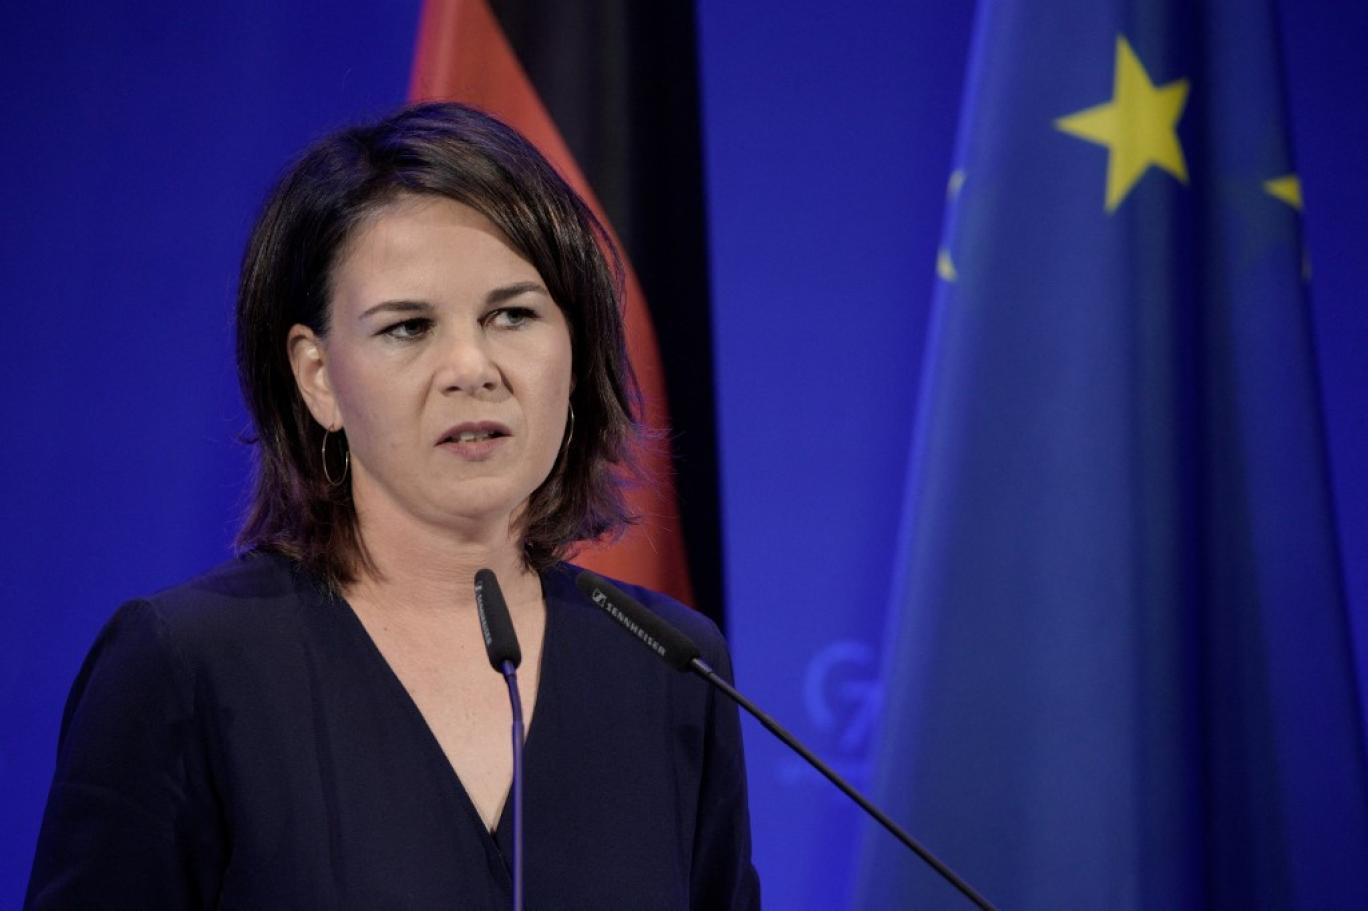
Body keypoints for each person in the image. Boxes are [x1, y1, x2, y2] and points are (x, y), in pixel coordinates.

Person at [25, 102, 760, 910]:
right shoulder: (186, 665)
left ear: (575, 348)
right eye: (409, 328)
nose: (472, 367)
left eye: (513, 315)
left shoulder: (670, 666)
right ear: (317, 377)